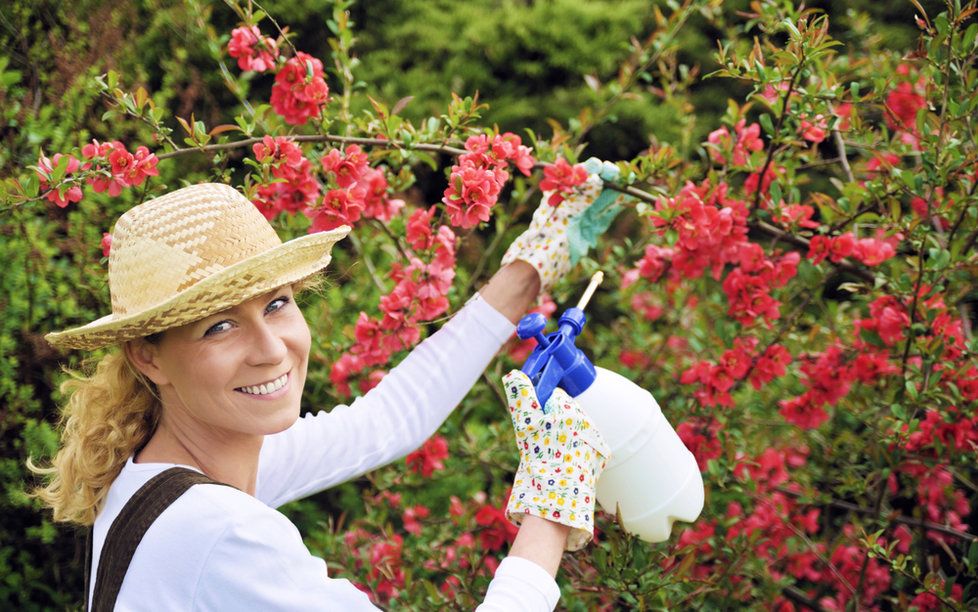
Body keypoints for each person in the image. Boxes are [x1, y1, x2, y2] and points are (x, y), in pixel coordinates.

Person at [33, 177, 616, 610]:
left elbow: (388, 420)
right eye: (219, 325)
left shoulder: (160, 475)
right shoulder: (221, 532)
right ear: (147, 356)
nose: (270, 348)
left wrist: (531, 267)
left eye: (276, 304)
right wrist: (552, 504)